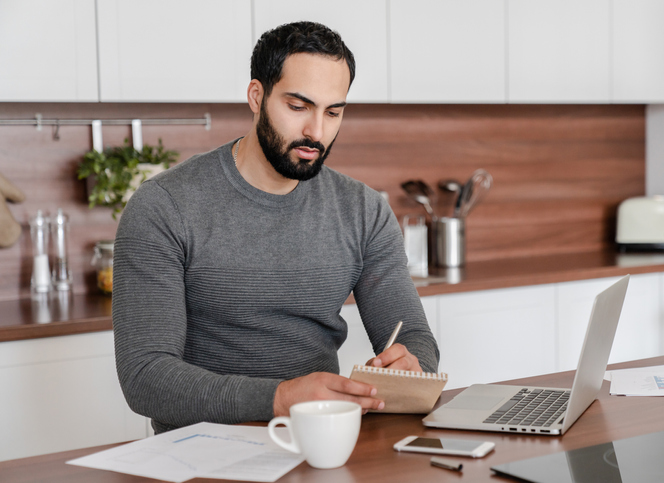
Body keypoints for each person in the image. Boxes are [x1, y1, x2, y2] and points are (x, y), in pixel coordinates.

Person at [112, 21, 439, 434]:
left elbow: (413, 336)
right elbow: (145, 378)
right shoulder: (164, 206)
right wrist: (279, 398)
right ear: (256, 96)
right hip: (201, 452)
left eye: (333, 111)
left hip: (322, 441)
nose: (316, 132)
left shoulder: (364, 210)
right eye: (298, 107)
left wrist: (414, 365)